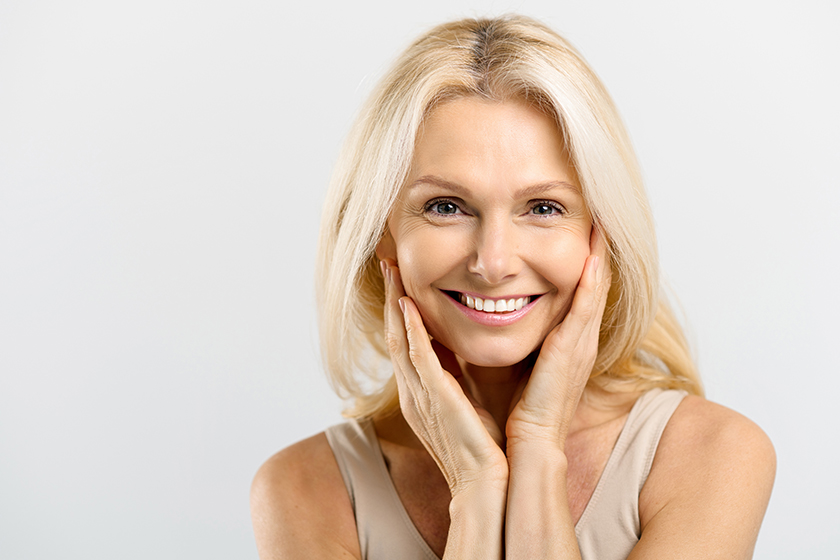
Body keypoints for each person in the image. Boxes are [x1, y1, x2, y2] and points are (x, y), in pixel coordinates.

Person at [250, 15, 775, 560]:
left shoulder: (713, 456)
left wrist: (540, 449)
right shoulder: (304, 489)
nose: (493, 262)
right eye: (446, 207)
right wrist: (475, 487)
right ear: (383, 234)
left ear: (603, 235)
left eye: (544, 208)